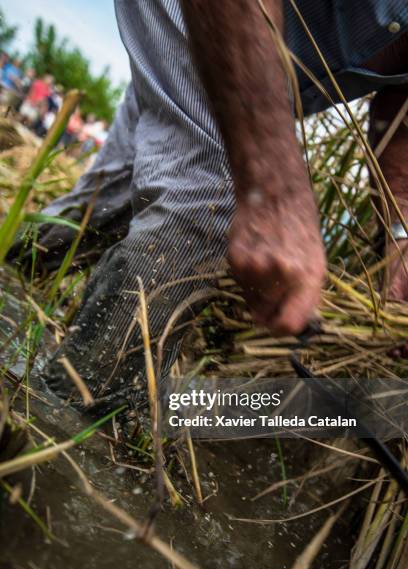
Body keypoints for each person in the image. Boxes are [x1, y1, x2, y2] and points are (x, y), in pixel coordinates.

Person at [12, 0, 408, 408]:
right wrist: (271, 190)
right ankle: (68, 417)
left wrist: (399, 239)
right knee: (208, 208)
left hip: (244, 73)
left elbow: (401, 113)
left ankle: (14, 268)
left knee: (98, 211)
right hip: (212, 18)